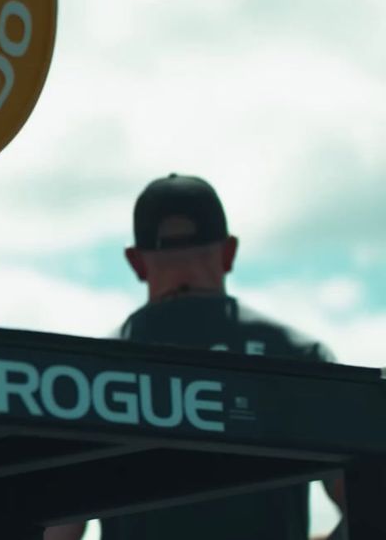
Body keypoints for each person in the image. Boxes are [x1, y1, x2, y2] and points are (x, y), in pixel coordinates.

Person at [44, 174, 346, 540]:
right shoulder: (299, 358)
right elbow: (369, 501)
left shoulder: (93, 376)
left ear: (136, 262)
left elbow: (58, 530)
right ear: (229, 252)